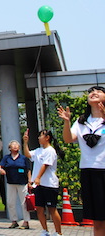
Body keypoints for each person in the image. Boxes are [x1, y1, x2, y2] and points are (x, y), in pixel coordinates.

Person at [58, 86, 105, 236]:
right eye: (91, 92)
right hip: (89, 171)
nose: (94, 93)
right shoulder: (81, 122)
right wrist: (67, 121)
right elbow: (68, 139)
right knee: (98, 219)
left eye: (98, 91)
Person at [23, 128, 64, 236]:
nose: (39, 138)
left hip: (49, 184)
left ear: (47, 137)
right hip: (39, 186)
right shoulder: (38, 150)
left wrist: (38, 177)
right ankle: (45, 231)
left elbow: (45, 165)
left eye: (41, 135)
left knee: (52, 209)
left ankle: (58, 232)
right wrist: (25, 142)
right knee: (40, 209)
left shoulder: (50, 150)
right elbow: (28, 154)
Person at [0, 140, 31, 229]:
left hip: (22, 183)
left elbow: (28, 170)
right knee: (10, 202)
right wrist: (0, 170)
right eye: (13, 145)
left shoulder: (23, 158)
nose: (15, 146)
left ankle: (26, 222)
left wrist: (30, 181)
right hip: (11, 182)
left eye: (17, 145)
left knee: (24, 203)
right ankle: (14, 221)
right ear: (10, 148)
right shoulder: (6, 158)